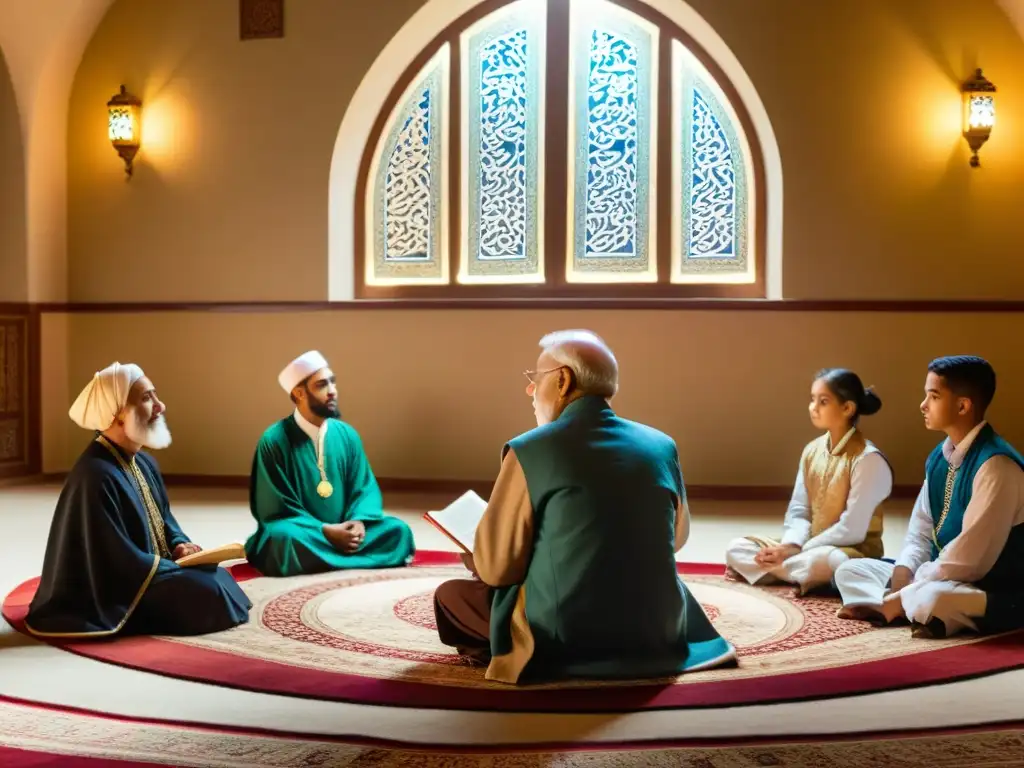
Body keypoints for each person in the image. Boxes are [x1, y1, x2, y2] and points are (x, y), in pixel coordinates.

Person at [432, 330, 736, 684]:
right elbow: (677, 538)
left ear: (562, 380)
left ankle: (529, 656)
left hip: (568, 638)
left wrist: (476, 559)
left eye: (535, 378)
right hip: (657, 633)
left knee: (450, 598)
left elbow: (499, 570)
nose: (529, 390)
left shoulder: (529, 450)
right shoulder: (661, 445)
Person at [25, 363, 251, 638]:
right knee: (207, 590)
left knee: (216, 577)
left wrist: (179, 544)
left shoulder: (143, 462)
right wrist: (171, 570)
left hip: (149, 571)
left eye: (155, 396)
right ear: (118, 414)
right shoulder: (96, 475)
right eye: (147, 398)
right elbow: (115, 559)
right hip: (118, 590)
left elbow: (165, 520)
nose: (161, 406)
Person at [834, 355, 1024, 638]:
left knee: (936, 598)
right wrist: (903, 572)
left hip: (992, 585)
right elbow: (920, 529)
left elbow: (969, 562)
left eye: (933, 396)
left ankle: (908, 607)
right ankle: (908, 608)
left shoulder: (996, 466)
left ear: (962, 405)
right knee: (849, 571)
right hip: (937, 575)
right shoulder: (939, 457)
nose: (923, 405)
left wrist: (913, 585)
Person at [245, 350, 414, 576]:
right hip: (307, 532)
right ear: (299, 393)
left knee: (398, 531)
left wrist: (359, 522)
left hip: (346, 526)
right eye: (322, 385)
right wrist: (324, 530)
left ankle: (328, 556)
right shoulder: (274, 440)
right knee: (282, 539)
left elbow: (364, 487)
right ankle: (346, 555)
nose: (332, 391)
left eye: (333, 382)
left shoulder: (347, 435)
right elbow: (274, 507)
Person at [724, 369, 893, 594]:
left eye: (823, 401)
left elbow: (852, 530)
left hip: (849, 551)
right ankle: (798, 576)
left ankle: (782, 573)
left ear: (847, 408)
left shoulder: (868, 459)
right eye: (812, 400)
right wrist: (791, 545)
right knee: (737, 548)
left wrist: (798, 550)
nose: (813, 407)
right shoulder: (812, 451)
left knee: (826, 562)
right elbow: (799, 510)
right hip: (806, 547)